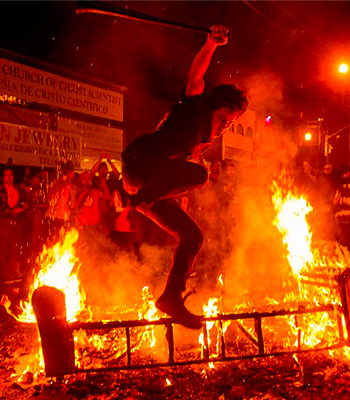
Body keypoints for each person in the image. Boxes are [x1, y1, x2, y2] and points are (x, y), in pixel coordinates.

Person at [121, 25, 248, 329]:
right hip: (141, 168)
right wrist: (211, 46)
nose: (223, 128)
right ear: (211, 108)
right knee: (200, 174)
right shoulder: (193, 107)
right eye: (222, 119)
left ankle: (171, 298)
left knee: (193, 237)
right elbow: (196, 75)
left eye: (229, 124)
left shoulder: (202, 139)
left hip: (151, 189)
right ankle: (133, 198)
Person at [0, 166, 27, 283]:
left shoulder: (17, 188)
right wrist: (12, 211)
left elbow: (24, 200)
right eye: (6, 175)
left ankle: (12, 272)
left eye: (10, 175)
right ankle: (3, 275)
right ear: (2, 177)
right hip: (4, 222)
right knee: (3, 249)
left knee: (14, 248)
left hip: (17, 221)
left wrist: (22, 207)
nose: (9, 177)